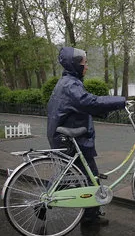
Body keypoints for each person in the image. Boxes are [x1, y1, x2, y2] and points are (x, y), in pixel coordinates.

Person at [47, 47, 126, 225]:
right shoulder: (71, 85)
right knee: (89, 177)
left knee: (73, 174)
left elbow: (82, 106)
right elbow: (90, 102)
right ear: (74, 64)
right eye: (84, 63)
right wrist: (121, 101)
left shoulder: (68, 82)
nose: (87, 67)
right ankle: (89, 216)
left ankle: (46, 204)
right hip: (71, 138)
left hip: (66, 135)